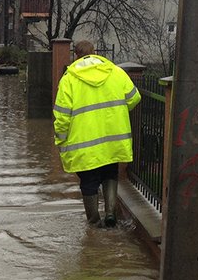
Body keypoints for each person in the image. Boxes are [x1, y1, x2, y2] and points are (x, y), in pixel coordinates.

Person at [53, 40, 141, 227]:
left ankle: (94, 223)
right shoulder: (117, 72)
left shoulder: (69, 79)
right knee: (110, 173)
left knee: (89, 181)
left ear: (75, 56)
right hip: (112, 140)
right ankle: (110, 214)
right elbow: (134, 98)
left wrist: (60, 140)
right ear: (95, 52)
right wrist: (117, 114)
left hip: (84, 144)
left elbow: (62, 117)